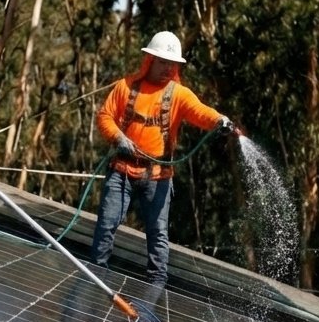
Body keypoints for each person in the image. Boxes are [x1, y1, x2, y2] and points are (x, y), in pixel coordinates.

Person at [91, 31, 235, 286]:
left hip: (158, 176)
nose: (167, 68)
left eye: (172, 63)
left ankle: (157, 286)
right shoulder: (126, 86)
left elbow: (201, 112)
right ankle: (96, 276)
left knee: (157, 234)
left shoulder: (178, 94)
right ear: (149, 60)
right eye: (162, 62)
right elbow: (105, 116)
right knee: (107, 223)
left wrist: (219, 120)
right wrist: (118, 138)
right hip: (122, 169)